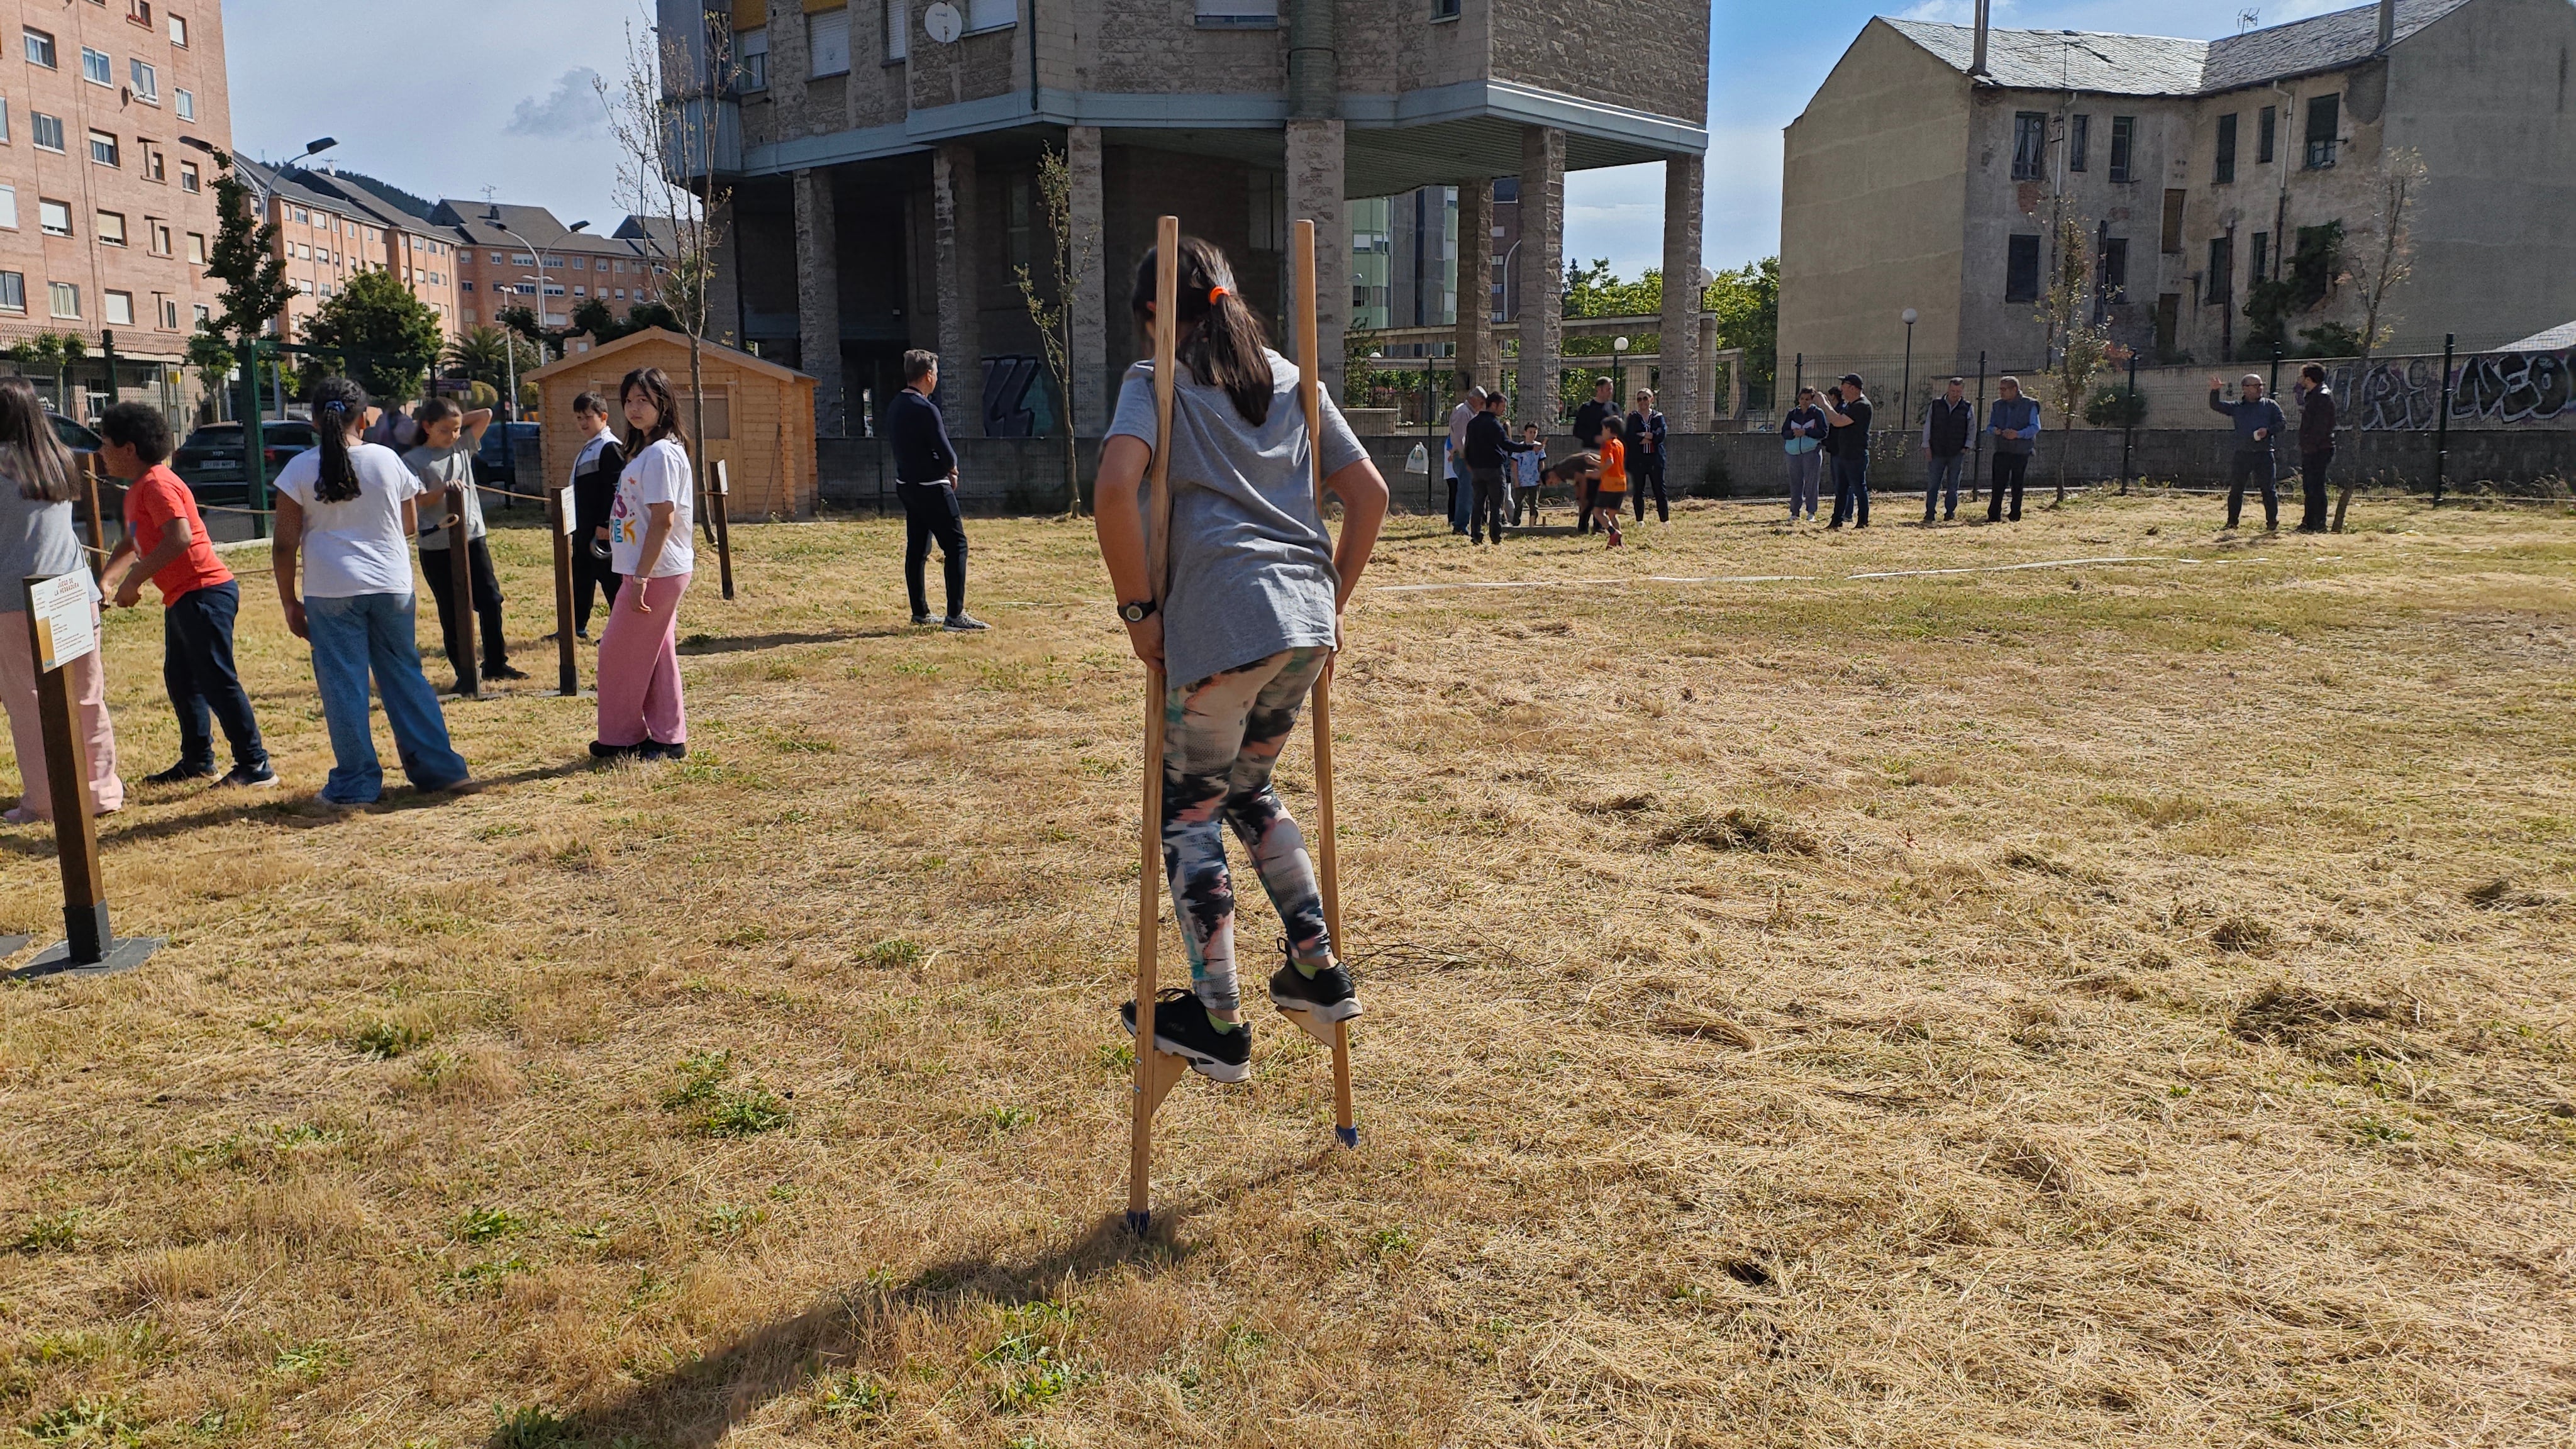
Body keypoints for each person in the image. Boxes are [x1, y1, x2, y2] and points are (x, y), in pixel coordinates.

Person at [1094, 235, 1390, 1081]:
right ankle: (1316, 968)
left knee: (1188, 810)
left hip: (1223, 621)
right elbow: (1368, 496)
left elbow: (1114, 490)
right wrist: (1329, 604)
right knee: (1248, 787)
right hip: (1302, 621)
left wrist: (1138, 610)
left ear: (1153, 315)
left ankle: (1217, 1022)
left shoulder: (1157, 381)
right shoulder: (1294, 383)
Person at [272, 377, 470, 806]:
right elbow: (411, 526)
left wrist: (289, 601)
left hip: (331, 588)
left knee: (344, 684)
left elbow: (285, 543)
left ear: (312, 420)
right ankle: (441, 770)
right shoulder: (387, 460)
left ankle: (356, 783)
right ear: (364, 419)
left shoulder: (298, 470)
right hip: (391, 583)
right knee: (404, 675)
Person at [97, 402, 272, 791]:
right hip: (185, 596)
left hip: (205, 593)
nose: (100, 452)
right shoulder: (139, 488)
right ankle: (198, 760)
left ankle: (255, 764)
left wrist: (135, 582)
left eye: (105, 443)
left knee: (216, 680)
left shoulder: (158, 484)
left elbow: (180, 537)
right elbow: (133, 541)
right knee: (182, 679)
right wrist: (108, 580)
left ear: (129, 449)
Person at [0, 377, 122, 826]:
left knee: (29, 702)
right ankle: (102, 789)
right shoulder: (58, 461)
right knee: (86, 695)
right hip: (70, 590)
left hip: (12, 599)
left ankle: (46, 800)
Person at [595, 367, 699, 762]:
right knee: (657, 653)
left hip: (655, 572)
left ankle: (622, 737)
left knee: (616, 653)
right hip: (648, 569)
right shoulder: (647, 450)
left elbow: (664, 518)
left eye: (644, 400)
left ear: (663, 403)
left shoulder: (661, 453)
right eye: (629, 400)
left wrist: (640, 577)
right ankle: (669, 738)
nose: (634, 408)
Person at [404, 397, 525, 687]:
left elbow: (485, 414)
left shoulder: (462, 447)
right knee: (452, 609)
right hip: (437, 545)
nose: (453, 436)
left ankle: (496, 663)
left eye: (457, 429)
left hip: (472, 537)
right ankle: (465, 673)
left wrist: (455, 418)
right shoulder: (413, 460)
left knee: (491, 601)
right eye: (445, 430)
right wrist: (443, 489)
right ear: (427, 427)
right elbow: (418, 501)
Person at [886, 350, 987, 630]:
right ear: (928, 375)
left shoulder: (896, 405)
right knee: (957, 546)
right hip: (932, 487)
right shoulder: (926, 409)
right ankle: (955, 616)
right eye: (937, 374)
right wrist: (952, 469)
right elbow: (945, 451)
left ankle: (920, 612)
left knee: (917, 548)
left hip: (907, 485)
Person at [565, 391, 626, 638]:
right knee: (581, 579)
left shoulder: (609, 447)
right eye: (578, 418)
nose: (582, 423)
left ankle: (621, 630)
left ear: (603, 416)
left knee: (612, 582)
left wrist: (605, 524)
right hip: (583, 528)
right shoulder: (590, 447)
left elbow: (616, 489)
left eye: (587, 418)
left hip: (599, 531)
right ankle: (576, 627)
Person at [2209, 372, 2286, 531]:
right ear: (2245, 389)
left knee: (2268, 489)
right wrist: (2215, 391)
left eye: (2261, 385)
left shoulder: (2270, 405)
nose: (2260, 388)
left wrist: (2268, 431)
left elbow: (2282, 423)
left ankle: (2272, 522)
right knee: (2237, 489)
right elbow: (2216, 406)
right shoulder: (2237, 408)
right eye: (2256, 385)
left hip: (2264, 453)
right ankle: (2232, 522)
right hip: (2243, 454)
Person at [1462, 391, 1533, 545]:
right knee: (1496, 505)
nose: (1503, 410)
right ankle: (1495, 536)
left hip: (1477, 470)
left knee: (1478, 503)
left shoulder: (1473, 423)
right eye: (1502, 406)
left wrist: (1469, 464)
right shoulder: (1493, 424)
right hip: (1494, 469)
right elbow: (1507, 444)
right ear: (1493, 405)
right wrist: (1528, 447)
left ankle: (1476, 535)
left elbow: (1467, 446)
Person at [1818, 373, 1872, 528]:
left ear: (1853, 388)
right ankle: (1837, 521)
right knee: (1841, 490)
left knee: (1858, 488)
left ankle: (1863, 521)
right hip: (1843, 453)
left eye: (1844, 385)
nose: (1841, 389)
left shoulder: (1862, 406)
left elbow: (1838, 421)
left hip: (1855, 455)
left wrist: (1824, 404)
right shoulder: (1851, 405)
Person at [1985, 376, 2041, 523]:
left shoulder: (2030, 405)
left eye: (2004, 389)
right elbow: (1990, 426)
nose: (2001, 393)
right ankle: (1994, 515)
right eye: (2000, 389)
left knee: (2017, 484)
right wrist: (1995, 430)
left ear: (2014, 390)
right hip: (2002, 449)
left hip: (2021, 451)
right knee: (1998, 483)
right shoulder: (1998, 405)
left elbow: (2035, 427)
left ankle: (2015, 515)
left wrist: (2018, 434)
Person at [1921, 377, 1974, 524]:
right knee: (1933, 484)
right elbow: (1928, 426)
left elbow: (1972, 428)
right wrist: (1926, 446)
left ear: (1962, 391)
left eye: (1958, 391)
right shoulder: (1936, 405)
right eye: (1952, 391)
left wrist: (1966, 447)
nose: (1955, 394)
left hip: (1957, 452)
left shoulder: (1967, 407)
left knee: (1953, 485)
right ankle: (1930, 513)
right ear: (1948, 389)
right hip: (1937, 451)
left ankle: (1950, 513)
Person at [2294, 364, 2335, 532]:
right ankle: (2309, 522)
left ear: (2309, 379)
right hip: (2313, 448)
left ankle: (2318, 523)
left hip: (2319, 449)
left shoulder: (2322, 397)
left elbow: (2322, 426)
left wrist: (2311, 446)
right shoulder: (2314, 395)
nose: (2300, 380)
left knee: (2316, 486)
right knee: (2310, 487)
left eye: (2301, 377)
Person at [1572, 377, 1614, 533]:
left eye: (1612, 388)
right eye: (1608, 388)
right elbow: (1577, 431)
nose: (1611, 391)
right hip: (1591, 453)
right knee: (1588, 491)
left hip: (1608, 454)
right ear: (1599, 389)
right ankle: (1583, 525)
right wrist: (1594, 438)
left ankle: (1599, 525)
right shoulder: (1586, 408)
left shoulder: (1614, 408)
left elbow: (1620, 429)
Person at [1444, 383, 1485, 535]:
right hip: (1465, 457)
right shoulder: (1463, 412)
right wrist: (1465, 457)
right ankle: (1460, 526)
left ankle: (1463, 523)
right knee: (1466, 492)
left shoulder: (1469, 412)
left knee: (1469, 491)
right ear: (1473, 399)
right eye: (1481, 403)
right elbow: (1461, 437)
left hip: (1466, 456)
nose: (1482, 406)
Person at [1780, 386, 1826, 521]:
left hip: (1811, 452)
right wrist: (1793, 434)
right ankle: (1795, 512)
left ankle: (1811, 512)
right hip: (1793, 452)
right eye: (1802, 399)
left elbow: (1823, 432)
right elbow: (1784, 432)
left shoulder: (1818, 413)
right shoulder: (1793, 413)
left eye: (1807, 399)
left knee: (1811, 483)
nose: (1804, 402)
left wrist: (1806, 432)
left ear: (1812, 400)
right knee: (1795, 482)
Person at [1624, 389, 1668, 524]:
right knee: (1638, 491)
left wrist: (1646, 436)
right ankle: (1640, 521)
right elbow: (1630, 436)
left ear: (1651, 399)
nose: (1642, 402)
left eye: (1645, 398)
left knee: (1659, 489)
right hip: (1638, 459)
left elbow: (1661, 434)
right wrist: (1646, 436)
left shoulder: (1658, 416)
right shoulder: (1633, 417)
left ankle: (1665, 521)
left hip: (1655, 458)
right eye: (1639, 399)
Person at [1590, 415, 1628, 547]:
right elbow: (1614, 462)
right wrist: (1595, 462)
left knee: (1598, 512)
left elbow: (1609, 462)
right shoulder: (1619, 444)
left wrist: (1598, 473)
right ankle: (1619, 544)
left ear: (1608, 429)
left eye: (1603, 429)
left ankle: (1613, 532)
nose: (1602, 432)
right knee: (1612, 514)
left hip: (1609, 484)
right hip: (1621, 483)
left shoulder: (1606, 445)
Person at [1510, 422, 1547, 526]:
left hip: (1534, 479)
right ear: (1525, 433)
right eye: (1530, 432)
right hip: (1522, 480)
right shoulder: (1520, 447)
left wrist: (1541, 477)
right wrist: (1516, 479)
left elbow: (1541, 463)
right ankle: (1516, 522)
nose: (1532, 434)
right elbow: (1515, 464)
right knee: (1519, 502)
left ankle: (1533, 523)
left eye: (1534, 432)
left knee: (1533, 504)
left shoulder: (1539, 447)